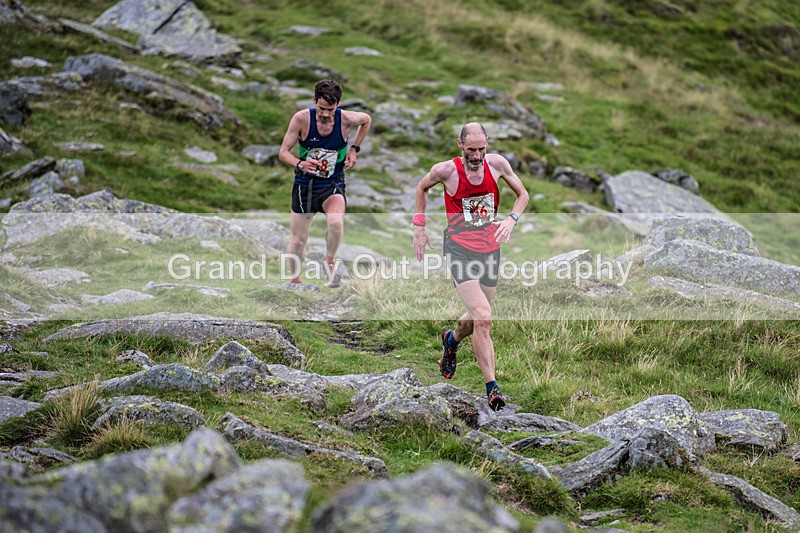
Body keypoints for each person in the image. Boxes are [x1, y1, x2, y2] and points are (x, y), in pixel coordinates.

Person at [413, 123, 529, 411]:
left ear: (487, 144)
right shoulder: (446, 171)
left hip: (490, 248)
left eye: (481, 149)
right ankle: (493, 388)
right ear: (459, 145)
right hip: (458, 249)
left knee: (477, 318)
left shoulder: (498, 164)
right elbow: (422, 187)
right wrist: (419, 226)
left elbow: (523, 195)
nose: (476, 155)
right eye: (470, 150)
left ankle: (451, 341)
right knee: (484, 318)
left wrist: (510, 219)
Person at [279, 79, 372, 287]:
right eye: (321, 108)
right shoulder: (301, 119)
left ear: (337, 105)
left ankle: (329, 261)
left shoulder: (346, 119)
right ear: (314, 101)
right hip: (305, 185)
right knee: (298, 241)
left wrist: (354, 148)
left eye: (330, 109)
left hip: (332, 183)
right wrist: (300, 163)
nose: (325, 114)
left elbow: (366, 120)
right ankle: (295, 280)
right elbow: (283, 152)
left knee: (336, 223)